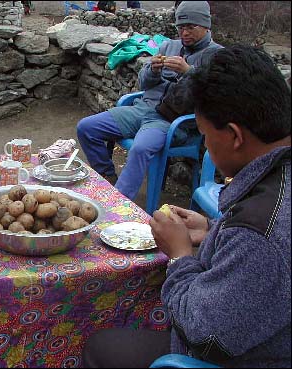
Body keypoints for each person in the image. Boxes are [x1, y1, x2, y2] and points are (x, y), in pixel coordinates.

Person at [83, 45, 291, 367]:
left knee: (101, 344)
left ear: (235, 136)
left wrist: (179, 255)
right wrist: (211, 231)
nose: (205, 144)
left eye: (206, 135)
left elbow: (207, 336)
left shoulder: (258, 231)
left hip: (243, 355)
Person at [77, 1, 222, 201]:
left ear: (206, 26)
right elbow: (143, 84)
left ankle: (117, 203)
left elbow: (216, 95)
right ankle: (108, 177)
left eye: (191, 27)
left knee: (140, 148)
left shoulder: (218, 56)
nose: (184, 33)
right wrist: (152, 70)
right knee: (87, 127)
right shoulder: (168, 45)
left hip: (171, 121)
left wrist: (188, 72)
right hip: (142, 108)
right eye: (181, 27)